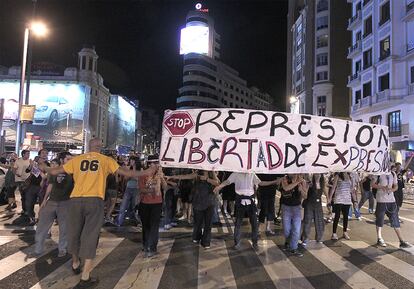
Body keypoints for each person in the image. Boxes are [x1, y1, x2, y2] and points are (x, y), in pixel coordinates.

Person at [42, 138, 155, 288]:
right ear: (100, 147)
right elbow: (125, 172)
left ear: (89, 146)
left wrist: (44, 166)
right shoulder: (105, 160)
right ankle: (85, 277)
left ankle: (75, 263)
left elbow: (56, 171)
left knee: (74, 233)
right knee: (91, 235)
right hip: (94, 200)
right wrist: (147, 171)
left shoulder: (77, 159)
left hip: (75, 200)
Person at [213, 172, 280, 251]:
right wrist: (219, 187)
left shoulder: (252, 173)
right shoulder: (236, 174)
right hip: (239, 201)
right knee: (238, 223)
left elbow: (261, 183)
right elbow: (227, 181)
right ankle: (237, 242)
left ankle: (255, 242)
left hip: (250, 201)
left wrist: (274, 182)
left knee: (254, 223)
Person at [168, 170, 220, 249]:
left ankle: (206, 242)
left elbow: (217, 183)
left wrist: (207, 179)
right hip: (198, 202)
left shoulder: (212, 173)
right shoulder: (197, 174)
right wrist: (171, 177)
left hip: (210, 203)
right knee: (198, 222)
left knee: (208, 224)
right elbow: (185, 176)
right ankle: (196, 237)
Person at [34, 152, 74, 257]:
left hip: (66, 203)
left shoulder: (73, 171)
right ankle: (38, 248)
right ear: (61, 160)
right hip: (52, 201)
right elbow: (50, 186)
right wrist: (44, 201)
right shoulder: (54, 171)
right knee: (42, 226)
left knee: (64, 228)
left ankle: (62, 248)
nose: (70, 161)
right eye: (68, 159)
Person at [372, 171, 411, 248]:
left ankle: (401, 240)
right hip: (381, 200)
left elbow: (396, 186)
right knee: (380, 220)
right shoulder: (378, 173)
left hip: (391, 201)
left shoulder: (393, 174)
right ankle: (379, 238)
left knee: (395, 220)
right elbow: (372, 184)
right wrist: (382, 187)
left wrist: (391, 190)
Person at [138, 155, 166, 258]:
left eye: (157, 163)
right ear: (150, 164)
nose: (157, 165)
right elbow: (141, 190)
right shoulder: (143, 174)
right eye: (155, 163)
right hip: (145, 203)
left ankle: (152, 247)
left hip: (157, 204)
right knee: (146, 226)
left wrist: (162, 178)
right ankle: (146, 245)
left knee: (154, 226)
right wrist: (153, 190)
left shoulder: (159, 174)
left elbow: (165, 187)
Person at [280, 174, 308, 256]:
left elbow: (305, 196)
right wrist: (297, 182)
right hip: (286, 207)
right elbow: (286, 188)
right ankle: (288, 241)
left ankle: (293, 247)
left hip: (297, 208)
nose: (293, 173)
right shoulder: (285, 179)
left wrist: (301, 190)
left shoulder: (302, 181)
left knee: (296, 229)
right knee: (286, 229)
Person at [328, 172, 355, 241]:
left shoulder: (350, 176)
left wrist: (355, 200)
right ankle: (334, 233)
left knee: (345, 217)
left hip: (347, 199)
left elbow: (352, 190)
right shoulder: (337, 175)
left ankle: (345, 232)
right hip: (339, 199)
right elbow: (333, 188)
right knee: (337, 216)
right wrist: (329, 199)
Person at [301, 174, 326, 246]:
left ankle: (319, 238)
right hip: (309, 202)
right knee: (307, 221)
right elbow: (305, 191)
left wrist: (328, 198)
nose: (318, 174)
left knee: (319, 221)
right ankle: (305, 238)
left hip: (318, 203)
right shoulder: (309, 179)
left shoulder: (322, 180)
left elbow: (324, 189)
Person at [116, 157, 141, 226]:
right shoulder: (128, 168)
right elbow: (126, 178)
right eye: (131, 161)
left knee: (135, 206)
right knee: (123, 206)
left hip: (136, 189)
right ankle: (119, 222)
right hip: (128, 188)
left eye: (133, 161)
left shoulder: (140, 169)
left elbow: (139, 179)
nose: (131, 162)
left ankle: (138, 221)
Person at [13, 149, 31, 214]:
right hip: (20, 180)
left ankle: (27, 209)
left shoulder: (30, 161)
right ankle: (24, 209)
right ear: (23, 154)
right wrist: (17, 174)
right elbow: (14, 170)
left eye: (29, 154)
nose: (29, 155)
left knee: (28, 195)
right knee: (23, 195)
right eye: (27, 154)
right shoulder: (18, 161)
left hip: (28, 180)